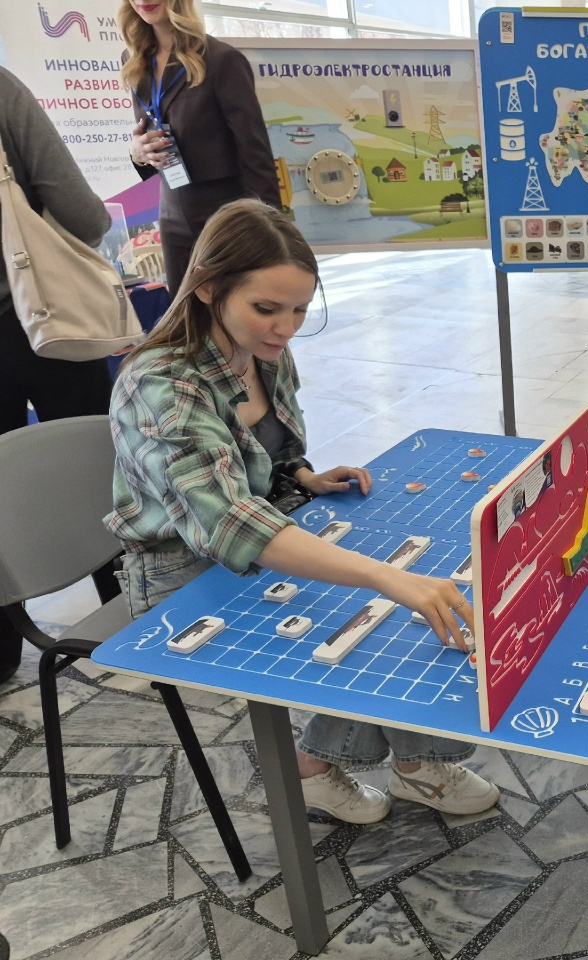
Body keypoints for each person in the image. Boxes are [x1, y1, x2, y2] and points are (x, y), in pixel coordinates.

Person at [107, 199, 499, 824]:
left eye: (298, 310)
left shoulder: (261, 349)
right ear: (207, 287)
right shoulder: (161, 383)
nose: (285, 328)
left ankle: (409, 759)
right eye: (267, 308)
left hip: (267, 528)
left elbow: (260, 460)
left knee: (413, 586)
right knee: (382, 603)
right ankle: (322, 766)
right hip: (183, 572)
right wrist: (383, 578)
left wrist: (301, 475)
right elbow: (230, 523)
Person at [0, 67, 114, 684]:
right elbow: (84, 216)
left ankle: (1, 651)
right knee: (100, 467)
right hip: (42, 318)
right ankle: (134, 615)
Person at [121, 0, 280, 293]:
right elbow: (150, 142)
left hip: (226, 218)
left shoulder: (222, 60)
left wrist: (274, 235)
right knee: (184, 316)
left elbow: (256, 154)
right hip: (172, 217)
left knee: (236, 313)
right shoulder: (134, 62)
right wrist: (137, 154)